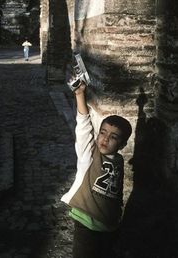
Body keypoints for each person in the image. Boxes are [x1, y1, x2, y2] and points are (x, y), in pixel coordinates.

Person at [61, 82, 132, 258]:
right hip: (87, 223)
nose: (105, 139)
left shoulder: (119, 160)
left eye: (113, 137)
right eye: (103, 132)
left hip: (109, 225)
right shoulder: (89, 154)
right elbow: (84, 126)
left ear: (122, 145)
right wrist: (80, 94)